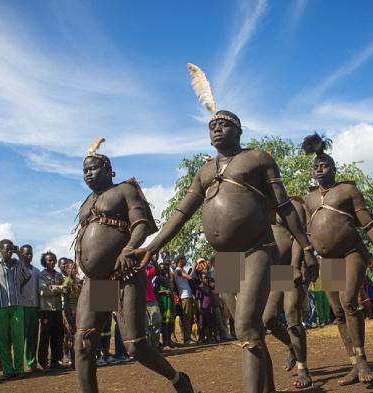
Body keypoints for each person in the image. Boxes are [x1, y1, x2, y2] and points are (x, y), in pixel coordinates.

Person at [130, 64, 316, 393]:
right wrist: (152, 247)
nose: (216, 128)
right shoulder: (204, 171)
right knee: (251, 330)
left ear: (239, 130)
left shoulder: (259, 158)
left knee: (247, 327)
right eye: (212, 125)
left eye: (224, 124)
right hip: (225, 260)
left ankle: (297, 364)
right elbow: (181, 212)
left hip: (258, 250)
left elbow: (285, 206)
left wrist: (308, 249)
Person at [72, 138, 192, 393]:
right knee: (84, 342)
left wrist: (129, 249)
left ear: (108, 170)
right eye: (84, 170)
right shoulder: (86, 203)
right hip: (97, 282)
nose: (88, 174)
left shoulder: (125, 190)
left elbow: (142, 224)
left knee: (135, 346)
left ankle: (177, 379)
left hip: (123, 274)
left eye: (93, 168)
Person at [301, 133, 373, 385]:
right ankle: (353, 364)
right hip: (327, 260)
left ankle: (363, 361)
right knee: (339, 312)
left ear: (334, 168)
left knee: (349, 300)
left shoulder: (347, 190)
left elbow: (368, 223)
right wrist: (305, 259)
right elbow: (306, 233)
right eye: (316, 167)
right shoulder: (309, 199)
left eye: (324, 166)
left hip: (352, 253)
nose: (319, 170)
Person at [261, 197, 313, 388]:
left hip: (290, 268)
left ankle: (303, 369)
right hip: (274, 273)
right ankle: (292, 347)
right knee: (268, 320)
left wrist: (294, 265)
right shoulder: (259, 206)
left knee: (292, 314)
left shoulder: (291, 205)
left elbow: (300, 236)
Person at [0, 239, 32, 379]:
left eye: (11, 249)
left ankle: (19, 369)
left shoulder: (18, 264)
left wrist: (18, 252)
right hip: (1, 307)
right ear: (0, 250)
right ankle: (7, 370)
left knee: (18, 339)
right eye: (7, 249)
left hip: (17, 306)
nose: (9, 251)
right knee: (3, 340)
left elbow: (27, 274)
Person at [38, 251, 66, 370]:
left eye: (54, 260)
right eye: (49, 260)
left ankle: (56, 361)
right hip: (46, 310)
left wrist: (53, 288)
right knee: (45, 338)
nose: (52, 262)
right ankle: (44, 362)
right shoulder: (41, 275)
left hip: (58, 310)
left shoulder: (59, 275)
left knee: (58, 337)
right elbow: (43, 291)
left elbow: (65, 289)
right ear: (44, 262)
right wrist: (59, 289)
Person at [18, 244, 41, 372]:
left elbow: (38, 291)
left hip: (34, 307)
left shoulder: (36, 271)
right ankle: (18, 364)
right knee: (21, 337)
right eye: (26, 253)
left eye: (31, 254)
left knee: (33, 337)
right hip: (23, 307)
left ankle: (31, 363)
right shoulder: (18, 270)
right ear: (21, 254)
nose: (29, 256)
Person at [62, 261, 81, 367]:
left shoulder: (77, 281)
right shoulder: (67, 282)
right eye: (69, 268)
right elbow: (65, 300)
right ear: (66, 270)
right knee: (71, 336)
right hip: (70, 312)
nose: (72, 270)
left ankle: (78, 359)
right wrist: (67, 315)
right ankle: (73, 360)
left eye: (74, 268)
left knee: (78, 336)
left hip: (79, 311)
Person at [154, 263, 175, 349]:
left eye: (166, 268)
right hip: (163, 303)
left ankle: (169, 342)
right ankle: (165, 343)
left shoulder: (168, 278)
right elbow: (155, 291)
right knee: (165, 323)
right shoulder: (158, 278)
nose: (165, 269)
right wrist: (164, 292)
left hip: (170, 303)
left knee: (170, 322)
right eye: (162, 268)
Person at [144, 256, 162, 349]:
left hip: (151, 300)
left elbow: (158, 272)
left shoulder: (148, 268)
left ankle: (154, 345)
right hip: (140, 301)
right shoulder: (134, 269)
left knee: (157, 320)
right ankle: (148, 347)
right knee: (145, 325)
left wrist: (154, 260)